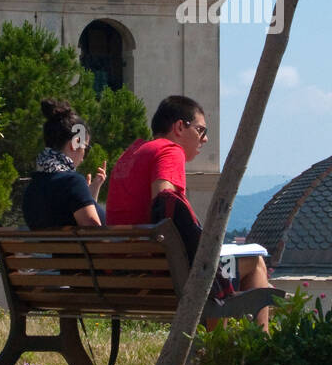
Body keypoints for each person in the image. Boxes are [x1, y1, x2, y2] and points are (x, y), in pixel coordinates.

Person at [109, 95, 274, 328]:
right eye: (200, 130)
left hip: (123, 270)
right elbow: (165, 203)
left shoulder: (129, 155)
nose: (205, 139)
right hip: (158, 272)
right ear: (179, 127)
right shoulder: (170, 150)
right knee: (255, 262)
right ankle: (248, 347)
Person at [21, 99, 107, 228]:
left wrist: (87, 196)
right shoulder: (72, 182)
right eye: (86, 148)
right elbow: (93, 232)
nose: (84, 158)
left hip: (48, 249)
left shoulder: (32, 188)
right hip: (82, 249)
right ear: (75, 143)